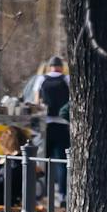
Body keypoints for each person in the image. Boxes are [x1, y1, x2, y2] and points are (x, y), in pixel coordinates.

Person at [38, 56, 72, 202]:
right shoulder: (67, 79)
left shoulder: (41, 79)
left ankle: (43, 192)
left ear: (50, 67)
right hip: (62, 124)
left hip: (45, 125)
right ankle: (62, 195)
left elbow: (36, 101)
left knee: (42, 160)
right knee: (62, 162)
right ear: (61, 67)